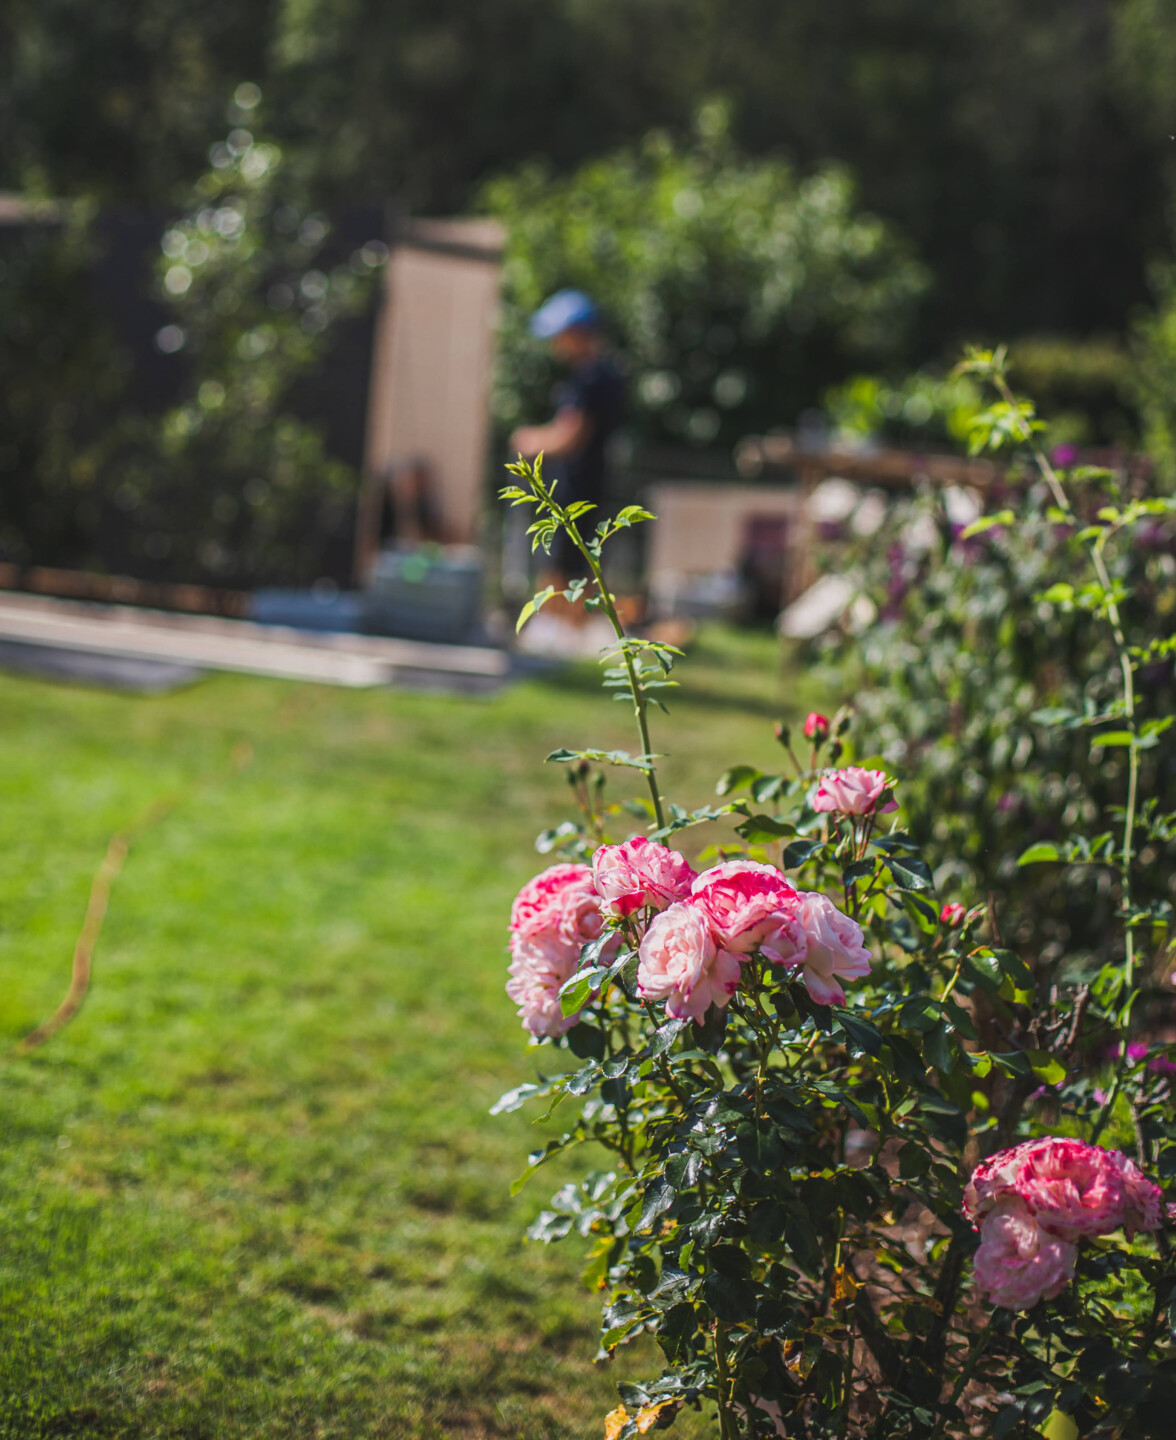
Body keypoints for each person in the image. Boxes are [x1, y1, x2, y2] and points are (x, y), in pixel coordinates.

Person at [509, 290, 625, 594]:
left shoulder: (593, 378)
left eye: (559, 336)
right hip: (578, 487)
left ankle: (563, 619)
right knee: (566, 568)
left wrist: (531, 440)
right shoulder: (593, 374)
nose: (555, 344)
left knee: (565, 575)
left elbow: (571, 437)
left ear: (576, 333)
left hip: (578, 491)